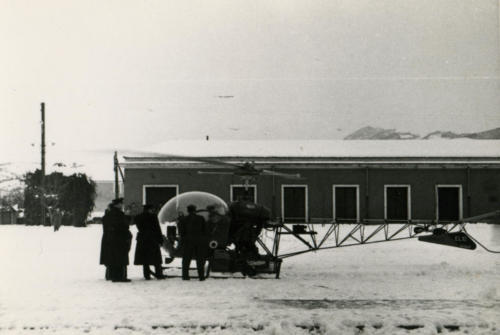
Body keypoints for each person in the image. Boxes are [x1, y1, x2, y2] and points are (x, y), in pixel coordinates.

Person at [103, 198, 132, 282]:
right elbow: (124, 226)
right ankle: (120, 276)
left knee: (112, 258)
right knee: (121, 258)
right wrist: (127, 216)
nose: (122, 205)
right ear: (118, 205)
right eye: (121, 204)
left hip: (110, 239)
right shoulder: (120, 214)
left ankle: (111, 275)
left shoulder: (108, 214)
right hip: (120, 239)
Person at [134, 204, 165, 280]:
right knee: (156, 258)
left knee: (145, 258)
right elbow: (157, 228)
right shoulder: (153, 217)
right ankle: (158, 274)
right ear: (150, 209)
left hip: (142, 239)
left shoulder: (138, 217)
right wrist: (160, 240)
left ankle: (146, 274)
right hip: (152, 239)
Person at [178, 204, 207, 281]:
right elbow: (205, 230)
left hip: (188, 241)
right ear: (195, 210)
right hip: (199, 241)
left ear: (188, 211)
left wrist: (183, 240)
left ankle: (185, 276)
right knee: (200, 259)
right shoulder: (201, 218)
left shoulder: (184, 219)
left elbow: (181, 232)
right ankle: (201, 276)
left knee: (186, 259)